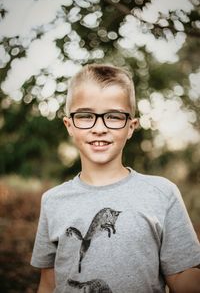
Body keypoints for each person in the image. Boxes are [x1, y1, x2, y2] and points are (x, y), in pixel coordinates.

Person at [31, 64, 200, 293]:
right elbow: (49, 282)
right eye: (85, 116)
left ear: (131, 127)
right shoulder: (53, 201)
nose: (99, 128)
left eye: (113, 116)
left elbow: (181, 277)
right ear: (69, 125)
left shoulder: (162, 193)